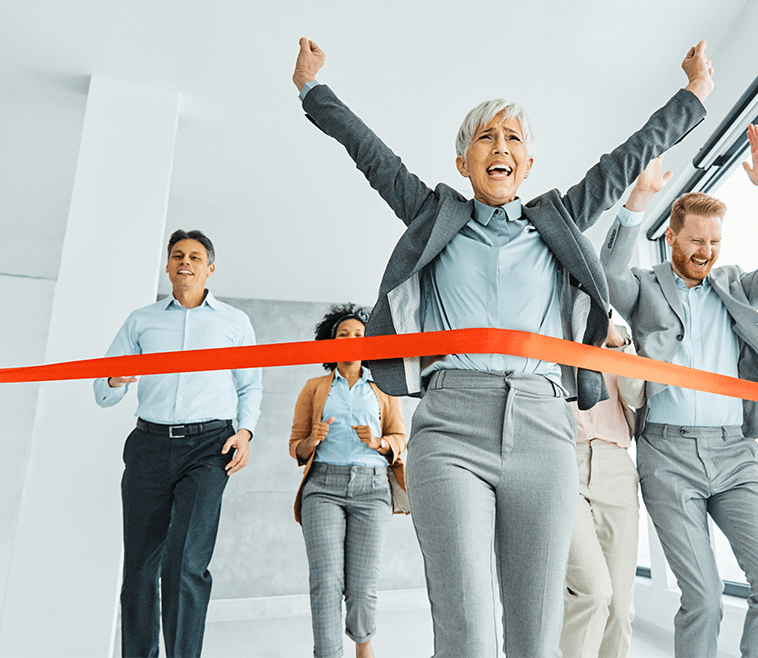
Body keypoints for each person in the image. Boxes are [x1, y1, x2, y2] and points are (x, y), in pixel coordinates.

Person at [291, 36, 712, 657]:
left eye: (513, 139)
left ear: (528, 166)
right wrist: (311, 88)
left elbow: (628, 157)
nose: (501, 148)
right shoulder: (434, 215)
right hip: (451, 428)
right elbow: (372, 156)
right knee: (466, 635)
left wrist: (694, 95)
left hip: (544, 429)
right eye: (487, 138)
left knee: (535, 638)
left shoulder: (558, 222)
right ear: (464, 162)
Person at [600, 126, 758, 658]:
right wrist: (638, 201)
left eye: (715, 242)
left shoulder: (735, 286)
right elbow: (607, 271)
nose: (706, 251)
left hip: (735, 455)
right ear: (673, 237)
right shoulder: (646, 288)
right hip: (668, 455)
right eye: (696, 240)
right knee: (704, 598)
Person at [94, 229, 262, 658]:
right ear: (168, 266)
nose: (184, 261)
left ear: (209, 269)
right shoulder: (141, 321)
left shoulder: (234, 323)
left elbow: (250, 387)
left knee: (184, 563)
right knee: (140, 569)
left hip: (209, 449)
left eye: (194, 256)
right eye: (176, 255)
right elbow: (102, 389)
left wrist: (245, 433)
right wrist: (114, 379)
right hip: (148, 447)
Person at [288, 304, 406, 658]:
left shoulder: (383, 389)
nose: (352, 340)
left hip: (372, 490)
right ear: (331, 343)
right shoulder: (314, 388)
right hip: (323, 487)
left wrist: (379, 442)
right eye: (343, 335)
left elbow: (400, 437)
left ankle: (363, 645)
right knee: (326, 582)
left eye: (360, 335)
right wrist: (313, 440)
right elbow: (296, 445)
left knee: (363, 583)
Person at [560, 320, 645, 658]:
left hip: (616, 466)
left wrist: (620, 342)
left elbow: (637, 395)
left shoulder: (615, 330)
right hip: (563, 461)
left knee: (621, 608)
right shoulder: (542, 322)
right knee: (593, 593)